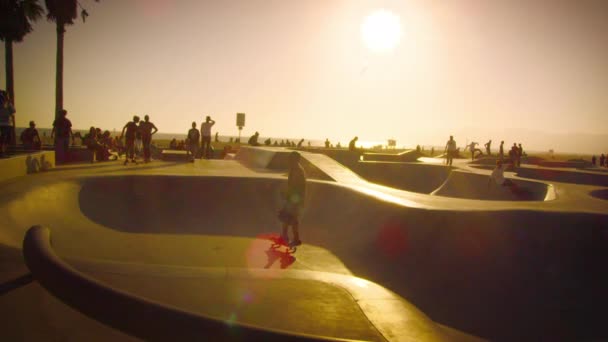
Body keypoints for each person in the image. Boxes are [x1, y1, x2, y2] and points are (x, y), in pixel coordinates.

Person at [279, 151, 306, 247]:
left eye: (291, 159)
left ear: (296, 160)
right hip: (292, 197)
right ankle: (284, 236)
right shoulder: (294, 169)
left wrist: (289, 196)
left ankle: (296, 239)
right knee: (286, 216)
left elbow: (296, 186)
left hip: (295, 198)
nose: (289, 161)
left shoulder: (298, 170)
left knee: (293, 218)